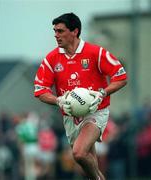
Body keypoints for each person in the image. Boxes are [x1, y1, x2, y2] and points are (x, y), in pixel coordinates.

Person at [34, 12, 127, 180]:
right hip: (71, 116)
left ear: (75, 31)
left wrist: (102, 93)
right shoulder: (51, 59)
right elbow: (40, 90)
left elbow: (121, 77)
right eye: (54, 31)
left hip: (95, 111)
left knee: (78, 153)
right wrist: (58, 100)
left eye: (60, 31)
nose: (56, 35)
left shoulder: (96, 53)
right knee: (86, 164)